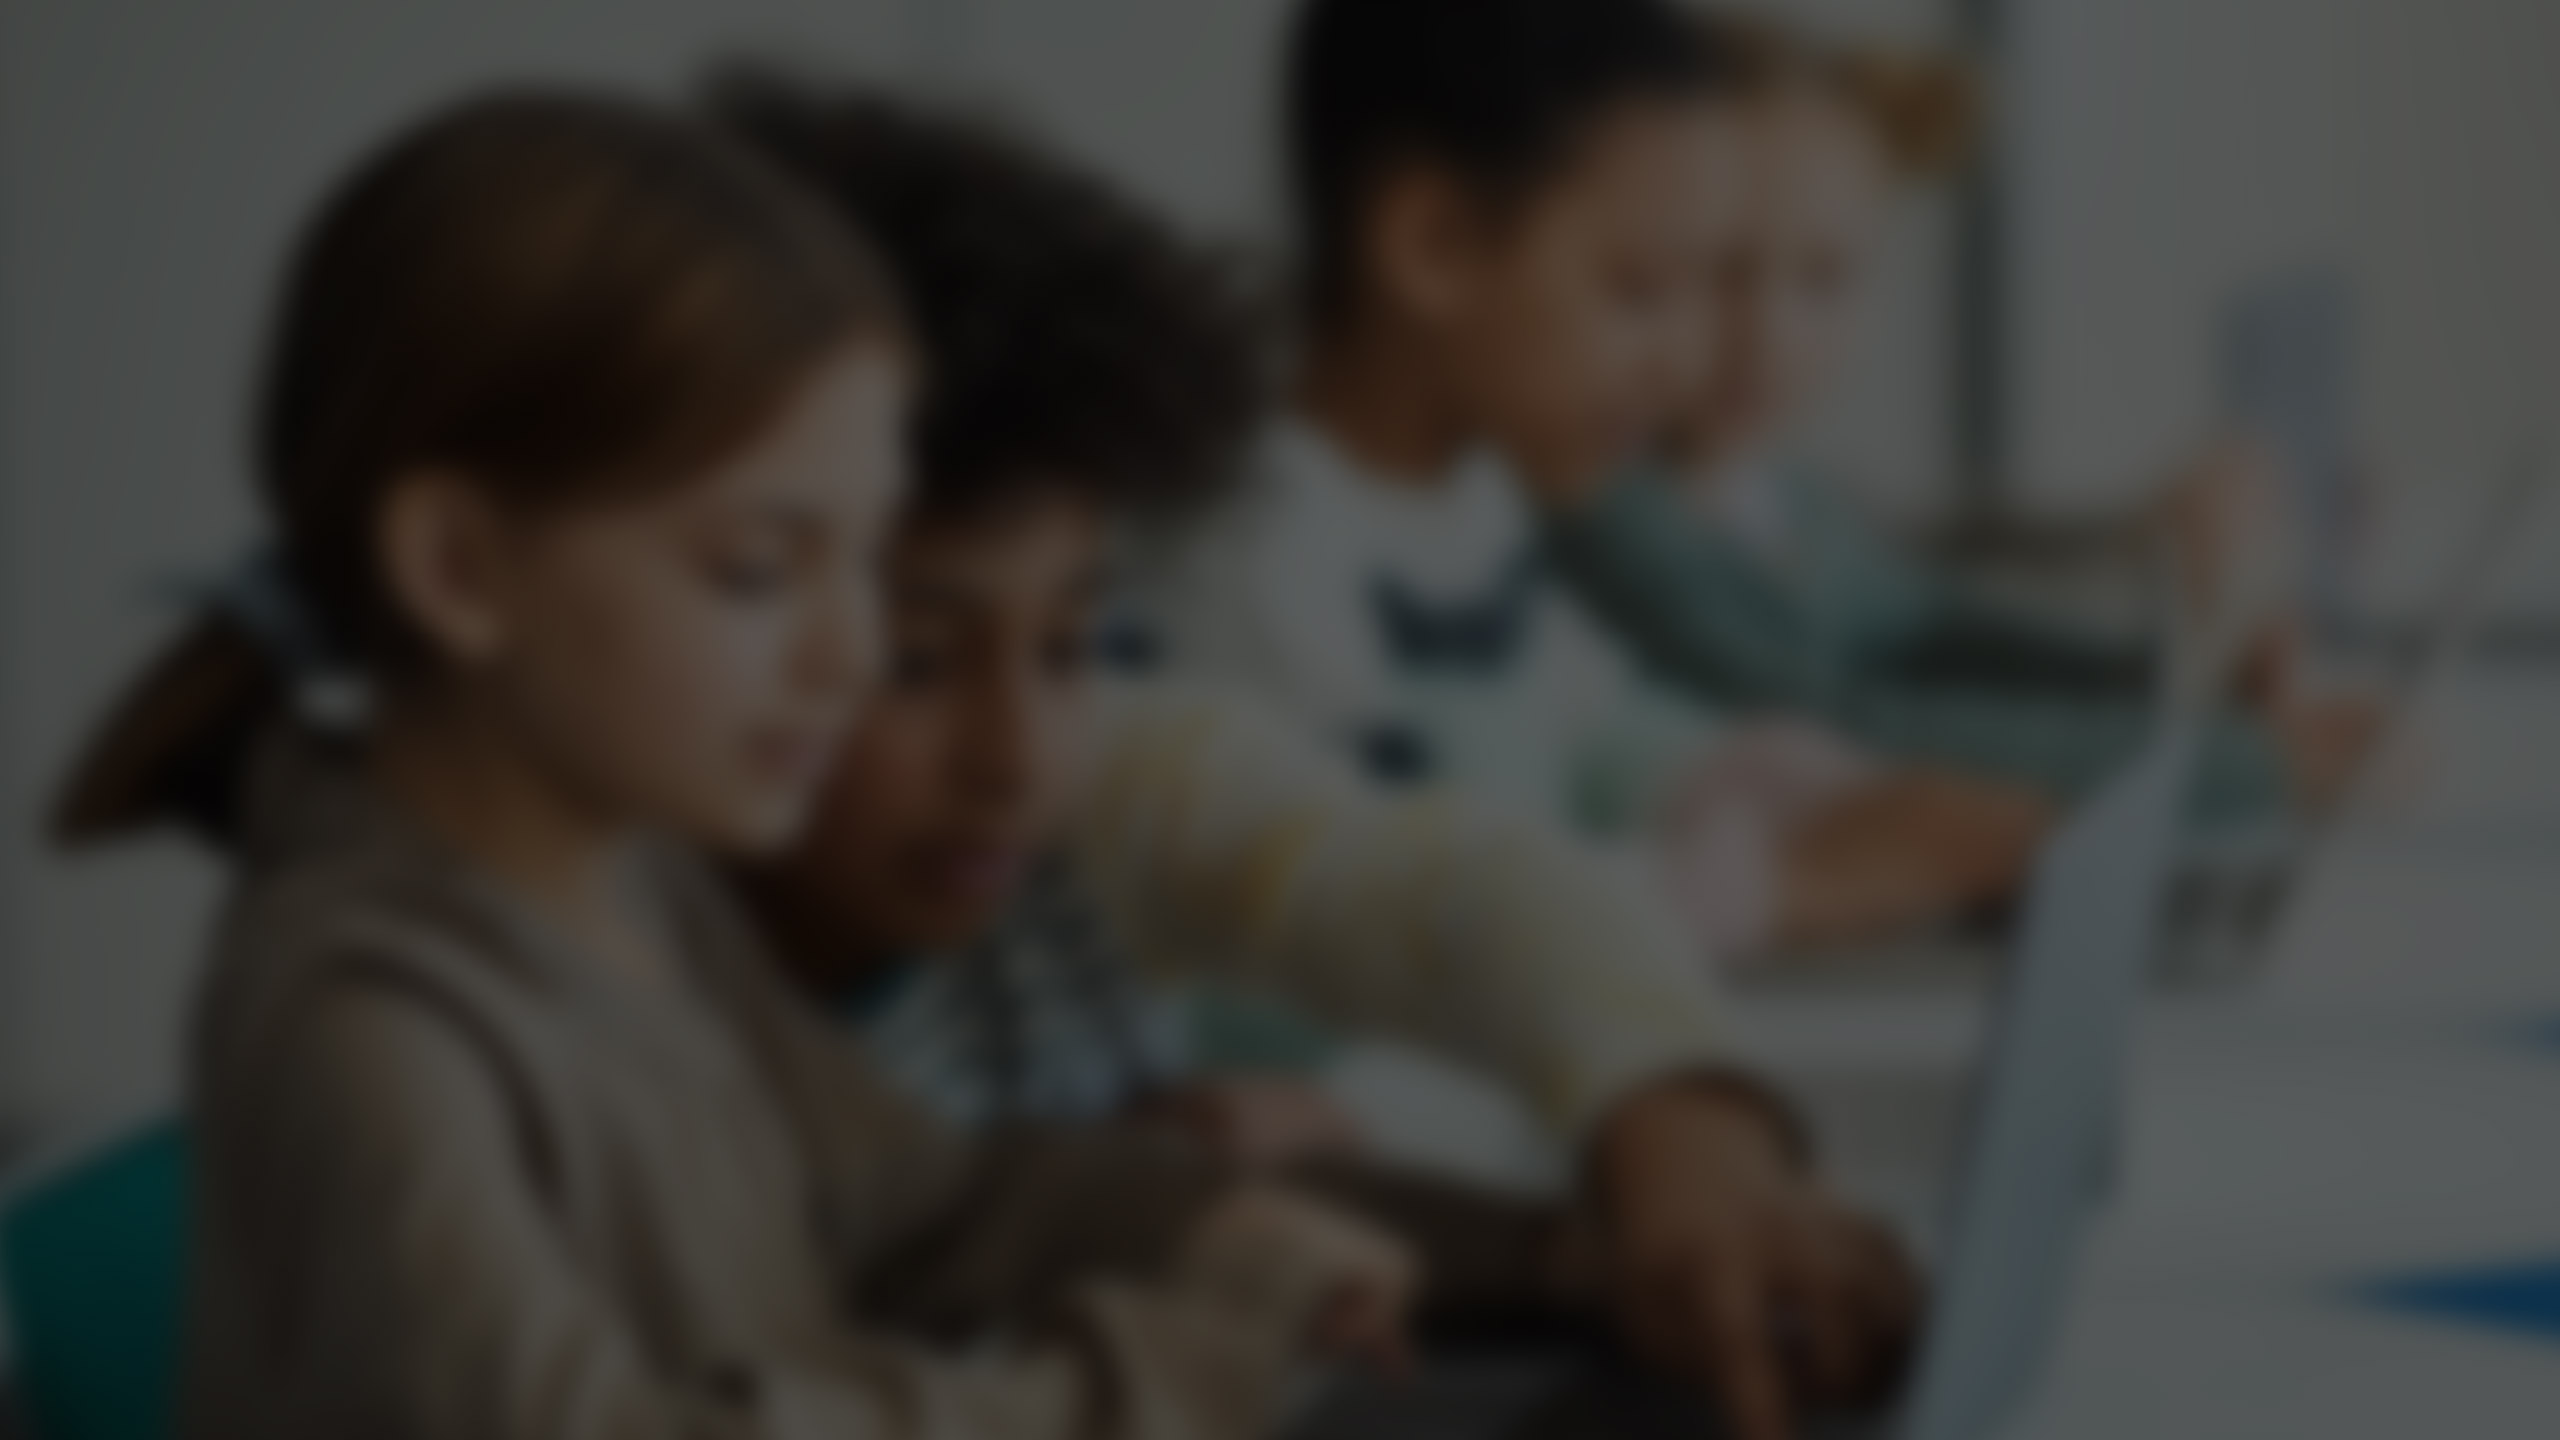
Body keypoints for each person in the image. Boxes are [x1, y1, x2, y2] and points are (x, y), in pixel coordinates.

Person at [51, 88, 1438, 1440]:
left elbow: (913, 1197)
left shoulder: (639, 880)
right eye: (761, 567)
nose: (848, 654)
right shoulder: (364, 1027)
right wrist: (1169, 1367)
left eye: (864, 563)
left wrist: (1232, 1225)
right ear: (461, 569)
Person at [713, 74, 1918, 1440]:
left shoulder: (1106, 776)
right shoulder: (639, 979)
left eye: (1069, 639)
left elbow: (1456, 885)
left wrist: (1694, 1152)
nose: (1013, 754)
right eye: (915, 661)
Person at [1134, 0, 2051, 966]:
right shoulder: (1254, 544)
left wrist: (1821, 796)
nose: (1688, 360)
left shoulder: (1471, 497)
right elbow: (1394, 910)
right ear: (1433, 245)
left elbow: (1596, 723)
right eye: (1639, 289)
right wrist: (1774, 885)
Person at [1543, 16, 2379, 819]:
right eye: (1722, 268)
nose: (1769, 335)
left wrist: (2161, 681)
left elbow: (1933, 626)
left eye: (1826, 277)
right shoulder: (1604, 510)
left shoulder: (1783, 494)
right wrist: (2247, 764)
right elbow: (1849, 727)